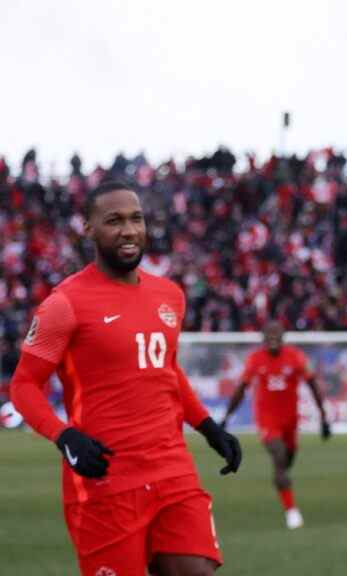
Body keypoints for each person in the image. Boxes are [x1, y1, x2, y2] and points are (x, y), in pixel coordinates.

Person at [10, 180, 242, 576]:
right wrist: (65, 437)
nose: (129, 230)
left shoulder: (169, 296)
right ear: (88, 228)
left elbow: (165, 371)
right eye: (113, 220)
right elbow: (23, 386)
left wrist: (208, 427)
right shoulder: (64, 305)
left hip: (172, 471)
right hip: (107, 481)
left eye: (136, 219)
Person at [221, 321, 331, 529]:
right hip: (267, 421)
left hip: (290, 422)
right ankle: (292, 511)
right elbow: (241, 389)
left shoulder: (295, 357)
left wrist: (324, 417)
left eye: (276, 334)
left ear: (283, 337)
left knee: (285, 462)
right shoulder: (255, 359)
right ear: (263, 338)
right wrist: (227, 416)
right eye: (268, 335)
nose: (272, 338)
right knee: (279, 457)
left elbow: (313, 384)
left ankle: (281, 483)